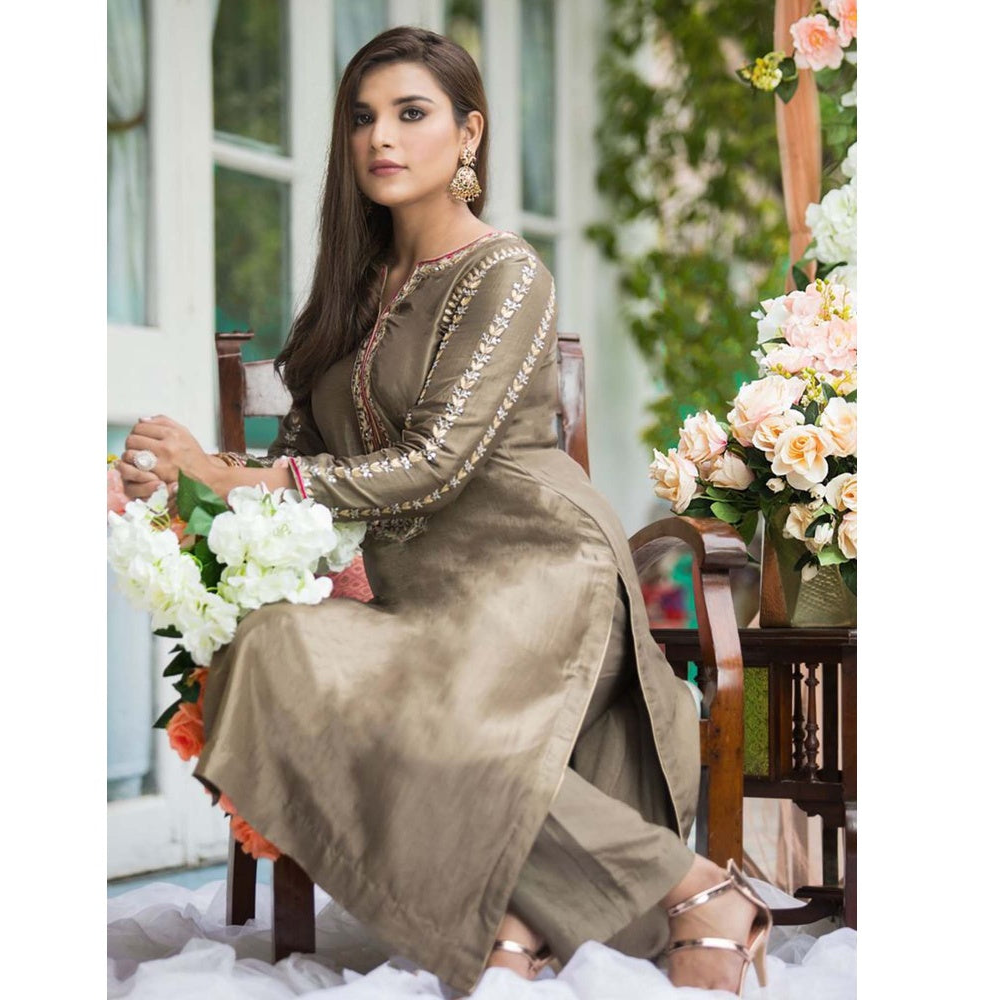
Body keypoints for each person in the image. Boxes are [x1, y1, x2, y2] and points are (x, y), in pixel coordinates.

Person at [117, 26, 771, 998]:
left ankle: (690, 896)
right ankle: (535, 912)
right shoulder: (345, 296)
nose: (380, 136)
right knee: (273, 650)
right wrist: (178, 479)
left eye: (410, 113)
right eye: (362, 117)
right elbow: (302, 460)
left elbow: (432, 466)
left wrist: (222, 475)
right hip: (413, 596)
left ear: (469, 135)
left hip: (538, 571)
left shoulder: (506, 275)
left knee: (420, 702)